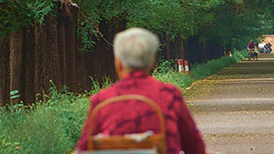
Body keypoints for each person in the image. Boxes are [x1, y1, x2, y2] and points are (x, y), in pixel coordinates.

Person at [76, 28, 206, 154]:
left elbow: (85, 147)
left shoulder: (102, 100)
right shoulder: (169, 94)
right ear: (152, 62)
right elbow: (193, 143)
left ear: (119, 63)